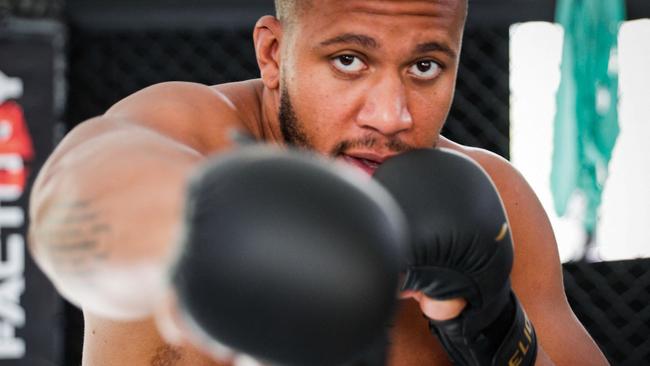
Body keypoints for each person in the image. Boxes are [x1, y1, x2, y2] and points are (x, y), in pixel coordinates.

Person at [27, 0, 608, 365]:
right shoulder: (192, 132)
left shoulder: (491, 198)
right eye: (350, 60)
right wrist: (212, 223)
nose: (391, 115)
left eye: (425, 67)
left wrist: (488, 321)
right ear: (274, 54)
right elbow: (69, 204)